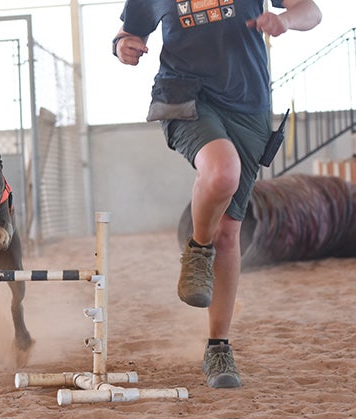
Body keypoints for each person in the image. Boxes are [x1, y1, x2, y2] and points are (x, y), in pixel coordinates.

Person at [113, 0, 322, 388]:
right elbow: (130, 34)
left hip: (248, 105)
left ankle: (218, 347)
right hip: (183, 95)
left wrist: (285, 20)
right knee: (223, 172)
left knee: (229, 231)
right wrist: (124, 47)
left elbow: (311, 10)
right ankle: (197, 249)